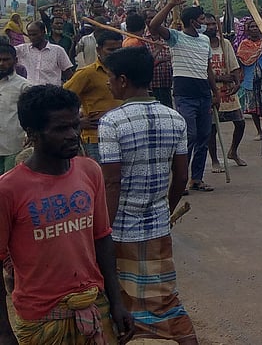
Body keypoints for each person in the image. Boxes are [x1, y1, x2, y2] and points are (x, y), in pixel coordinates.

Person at [0, 85, 135, 343]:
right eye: (61, 129)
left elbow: (102, 239)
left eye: (75, 125)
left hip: (94, 304)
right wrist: (4, 332)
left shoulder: (90, 172)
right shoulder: (8, 189)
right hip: (42, 318)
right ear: (32, 133)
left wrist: (116, 302)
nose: (73, 135)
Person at [97, 46, 198, 343]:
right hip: (156, 227)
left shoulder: (111, 122)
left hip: (120, 229)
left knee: (114, 298)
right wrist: (165, 210)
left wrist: (104, 229)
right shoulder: (174, 118)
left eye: (111, 78)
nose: (108, 83)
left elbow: (112, 183)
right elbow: (181, 176)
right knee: (164, 296)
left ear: (124, 80)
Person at [148, 0, 220, 193]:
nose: (205, 23)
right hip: (184, 94)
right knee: (190, 135)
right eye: (202, 19)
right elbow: (154, 25)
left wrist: (216, 92)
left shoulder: (204, 40)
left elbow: (208, 69)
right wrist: (171, 5)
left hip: (203, 93)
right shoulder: (176, 37)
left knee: (204, 137)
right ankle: (181, 178)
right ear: (192, 21)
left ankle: (196, 179)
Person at [63, 28, 124, 160]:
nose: (115, 54)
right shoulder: (87, 74)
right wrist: (77, 122)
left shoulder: (126, 72)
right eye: (110, 50)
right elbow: (62, 99)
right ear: (98, 50)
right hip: (96, 138)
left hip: (123, 135)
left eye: (119, 50)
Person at [205, 13, 245, 168]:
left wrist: (236, 82)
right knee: (212, 128)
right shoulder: (202, 44)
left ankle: (233, 151)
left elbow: (233, 64)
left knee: (240, 123)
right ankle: (215, 160)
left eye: (213, 24)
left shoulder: (225, 43)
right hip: (212, 91)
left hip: (228, 92)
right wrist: (221, 78)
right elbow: (203, 73)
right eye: (208, 25)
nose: (211, 27)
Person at [0, 43, 31, 173]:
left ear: (15, 61)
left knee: (9, 186)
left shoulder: (24, 86)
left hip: (13, 146)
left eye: (6, 60)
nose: (1, 63)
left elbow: (33, 114)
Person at [15, 21, 74, 86]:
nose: (32, 38)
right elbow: (6, 52)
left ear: (43, 33)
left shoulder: (58, 51)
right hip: (30, 92)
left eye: (34, 34)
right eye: (30, 35)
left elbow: (68, 74)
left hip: (51, 93)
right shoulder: (23, 50)